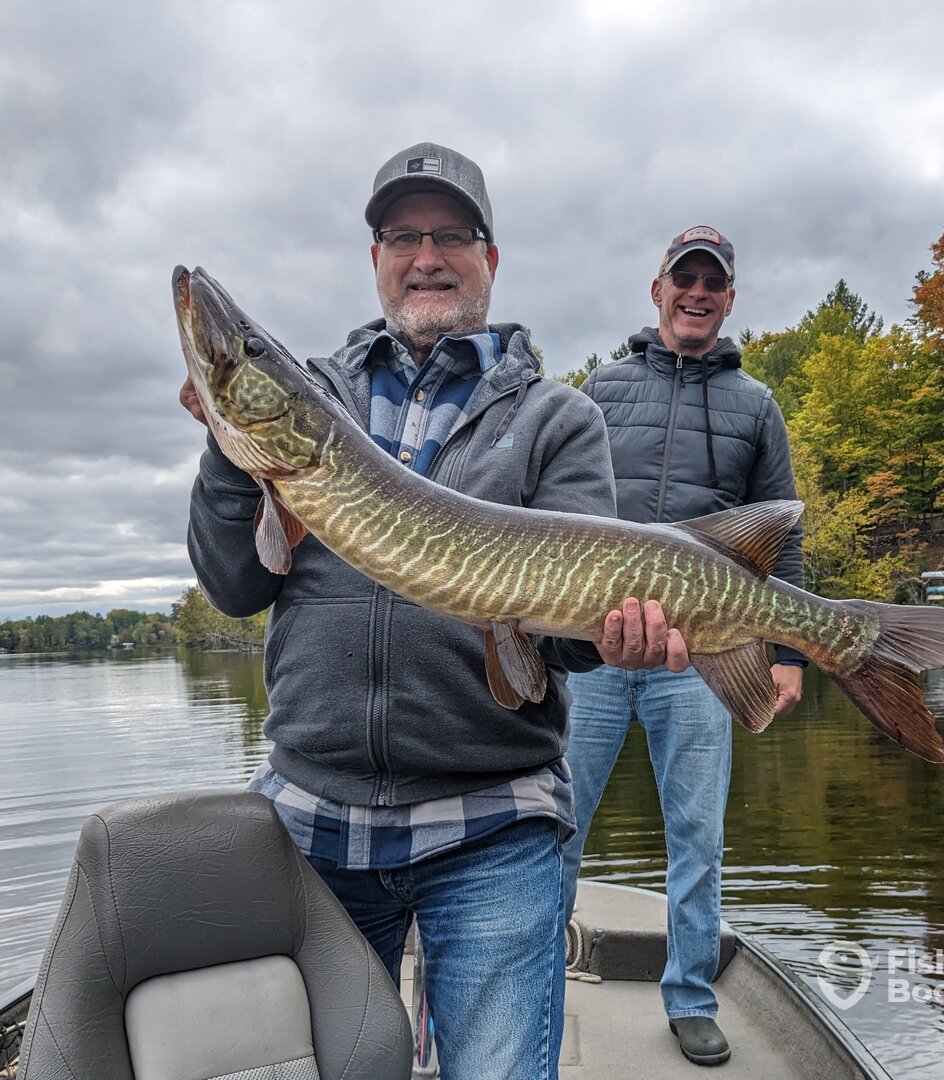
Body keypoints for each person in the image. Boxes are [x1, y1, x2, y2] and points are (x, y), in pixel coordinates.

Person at [181, 142, 686, 1080]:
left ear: (489, 258)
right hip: (312, 820)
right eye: (402, 236)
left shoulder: (556, 420)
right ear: (375, 257)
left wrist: (611, 632)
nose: (426, 256)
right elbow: (234, 586)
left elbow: (567, 641)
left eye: (450, 234)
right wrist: (227, 448)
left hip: (491, 827)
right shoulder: (314, 401)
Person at [560, 226, 807, 1067]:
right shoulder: (601, 388)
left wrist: (788, 655)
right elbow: (566, 507)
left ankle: (692, 996)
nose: (697, 292)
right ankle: (531, 984)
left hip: (704, 650)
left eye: (713, 282)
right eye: (684, 278)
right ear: (657, 290)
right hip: (596, 647)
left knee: (696, 835)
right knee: (555, 824)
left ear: (729, 298)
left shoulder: (757, 405)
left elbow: (784, 537)